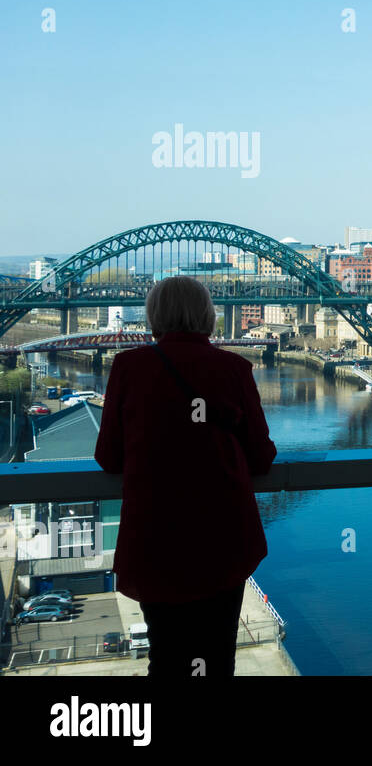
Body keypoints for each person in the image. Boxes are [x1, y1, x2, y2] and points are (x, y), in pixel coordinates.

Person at [94, 276, 276, 678]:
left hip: (156, 541)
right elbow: (262, 457)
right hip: (223, 542)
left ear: (154, 316)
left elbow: (107, 457)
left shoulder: (128, 367)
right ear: (208, 317)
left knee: (167, 658)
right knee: (216, 656)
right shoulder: (235, 368)